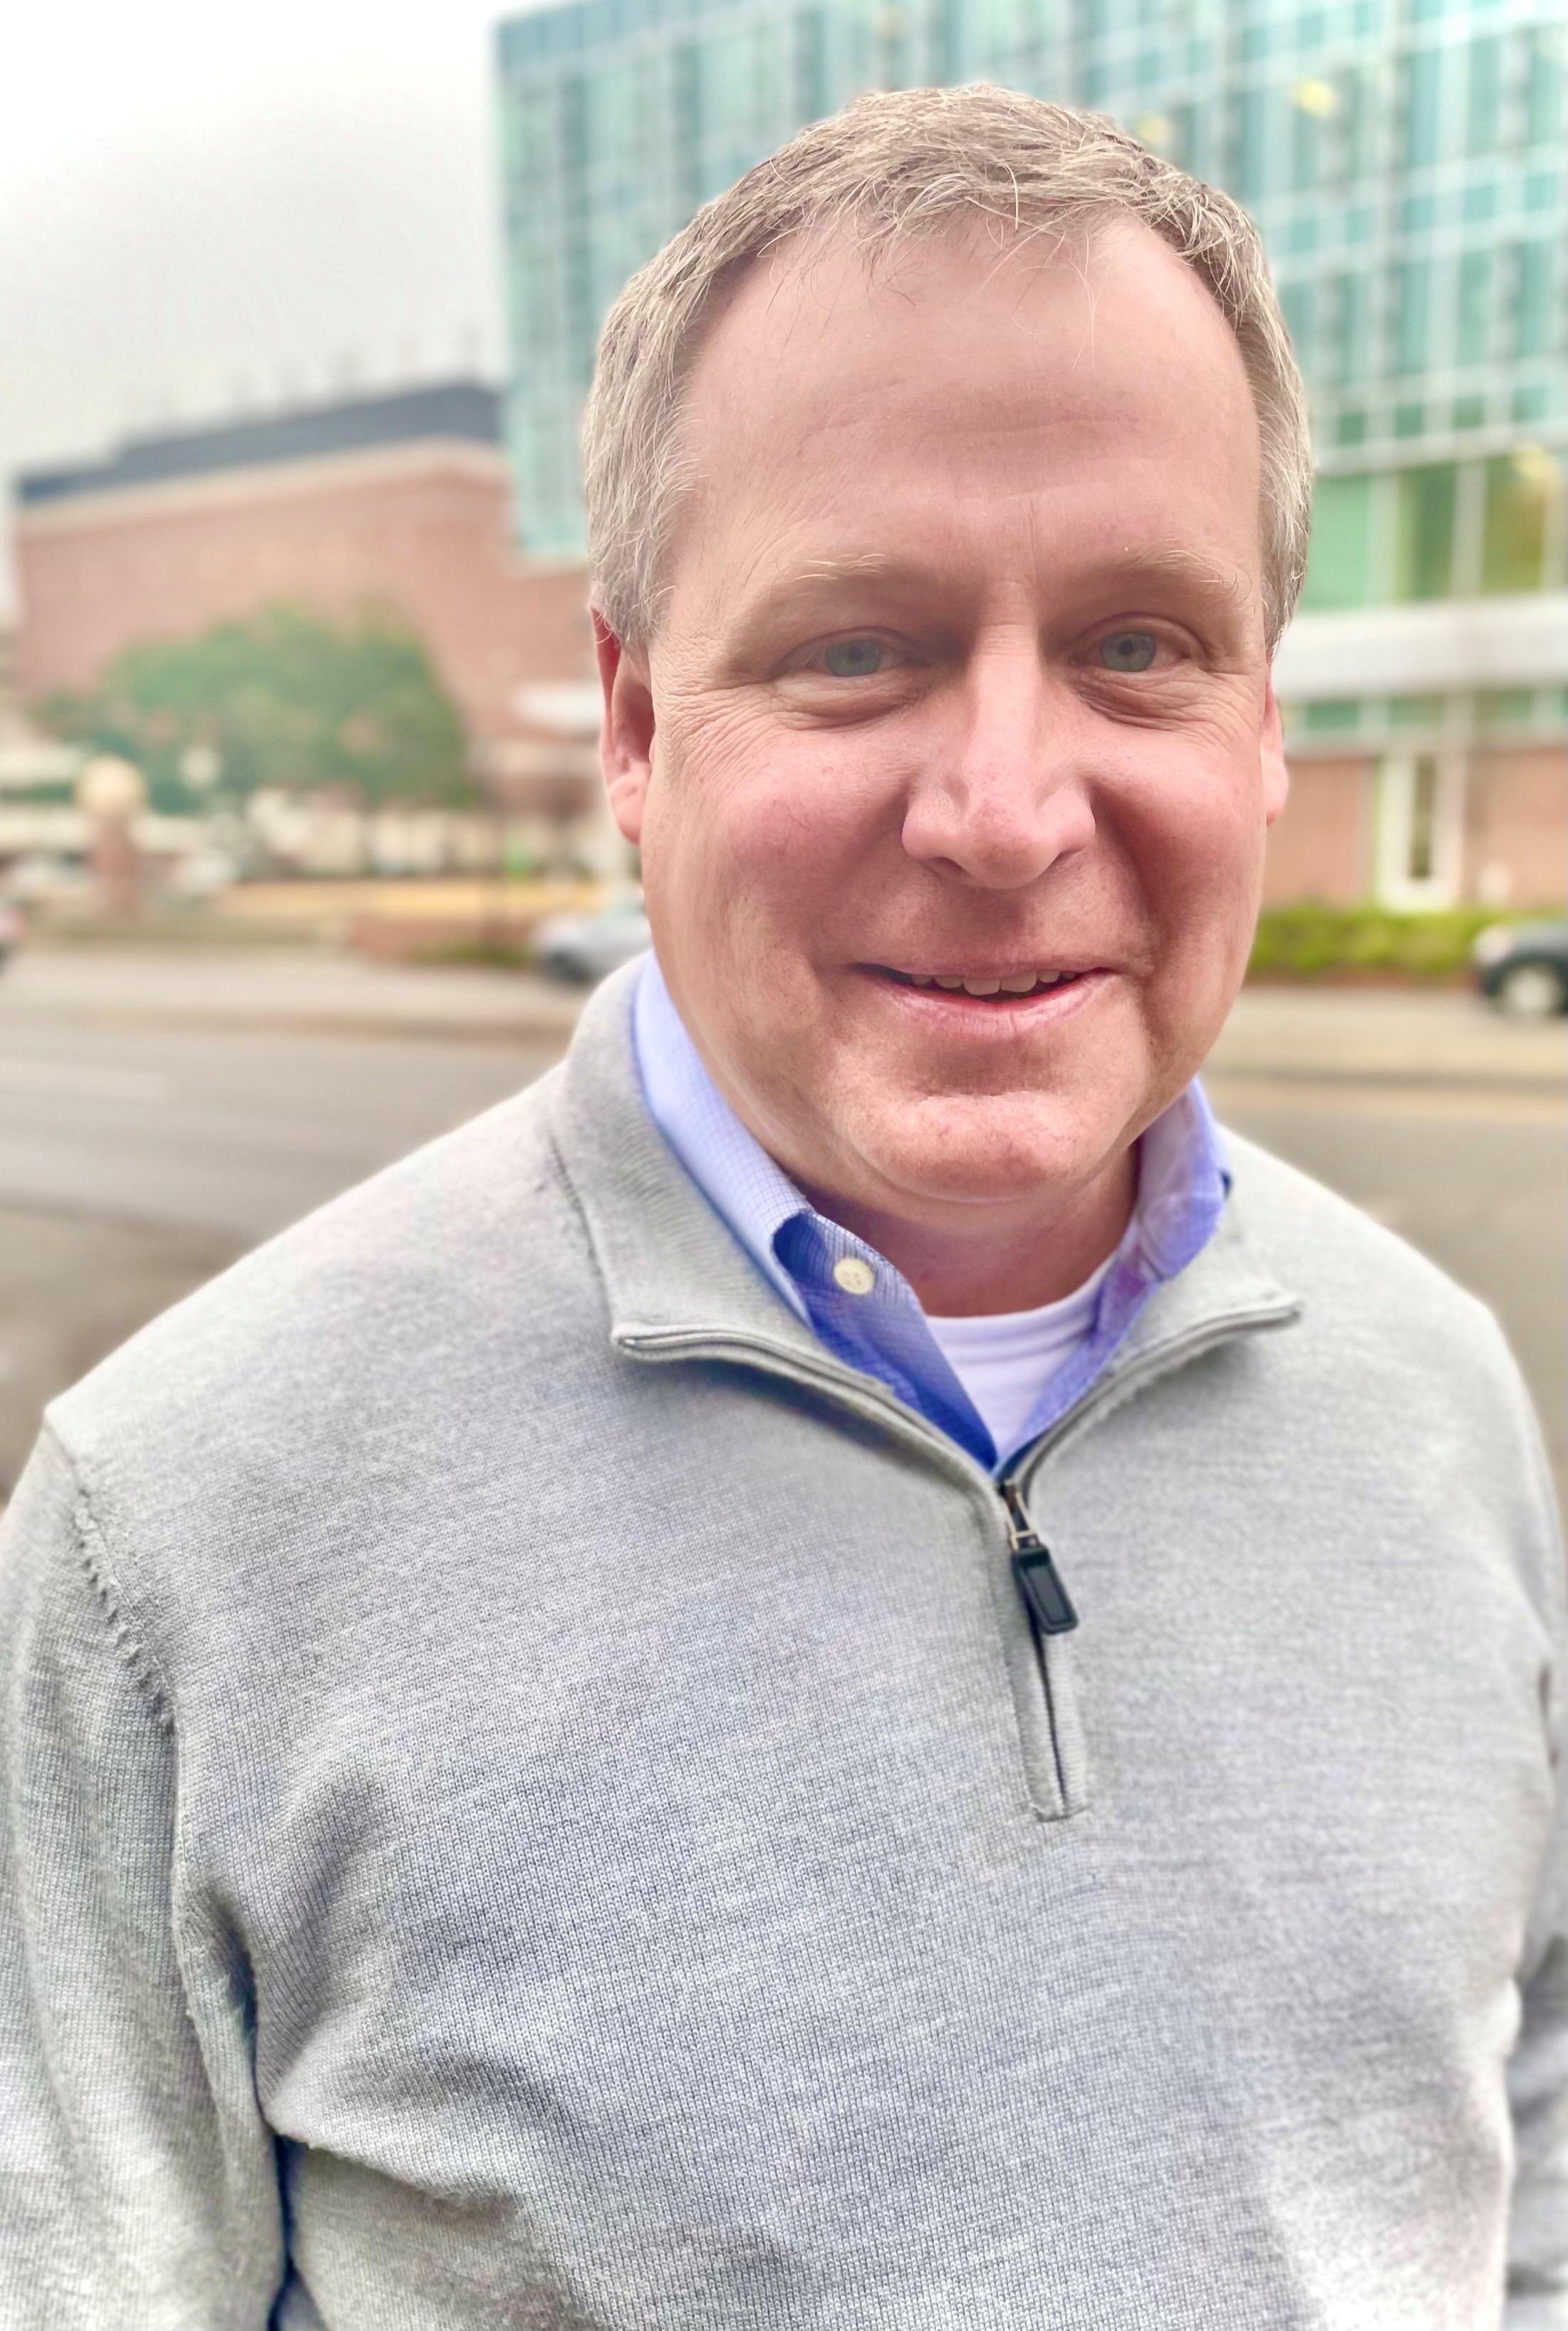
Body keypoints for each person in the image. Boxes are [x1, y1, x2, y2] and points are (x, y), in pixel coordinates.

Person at [1, 86, 1563, 2330]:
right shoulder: (178, 1534)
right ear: (636, 726)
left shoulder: (1436, 1391)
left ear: (1260, 729)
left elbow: (1519, 2135)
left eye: (1138, 645)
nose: (1006, 812)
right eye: (854, 648)